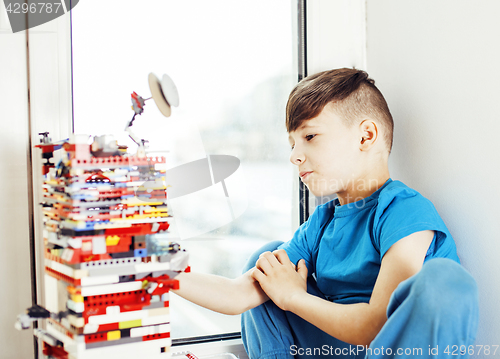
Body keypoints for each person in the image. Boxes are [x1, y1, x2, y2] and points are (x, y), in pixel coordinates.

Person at [172, 68, 479, 359]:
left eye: (310, 137)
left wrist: (293, 297)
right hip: (334, 347)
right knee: (267, 263)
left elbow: (375, 325)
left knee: (445, 280)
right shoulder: (321, 224)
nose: (294, 156)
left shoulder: (404, 210)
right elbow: (237, 296)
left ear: (365, 137)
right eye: (292, 143)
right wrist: (160, 271)